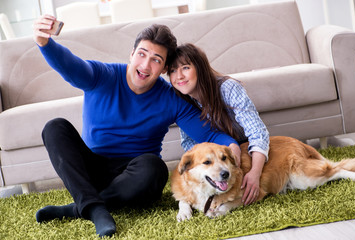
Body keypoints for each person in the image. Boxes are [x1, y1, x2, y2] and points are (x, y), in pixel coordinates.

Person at [32, 15, 241, 238]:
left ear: (163, 69)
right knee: (55, 127)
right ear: (131, 54)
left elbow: (209, 133)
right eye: (142, 54)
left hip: (137, 178)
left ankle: (80, 207)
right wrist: (44, 43)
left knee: (156, 167)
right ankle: (95, 209)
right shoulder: (103, 75)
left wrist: (233, 149)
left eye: (156, 59)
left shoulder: (171, 98)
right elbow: (72, 66)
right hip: (92, 168)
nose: (145, 64)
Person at [168, 43, 270, 206]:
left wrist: (255, 173)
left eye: (185, 68)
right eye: (172, 71)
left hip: (244, 151)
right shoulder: (182, 99)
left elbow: (258, 133)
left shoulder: (227, 88)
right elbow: (190, 143)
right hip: (218, 159)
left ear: (199, 68)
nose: (178, 76)